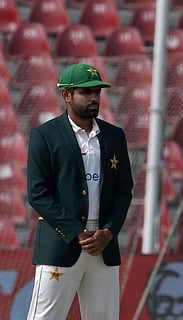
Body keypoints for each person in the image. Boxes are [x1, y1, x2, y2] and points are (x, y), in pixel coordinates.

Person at [26, 63, 134, 319]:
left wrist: (108, 232)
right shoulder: (45, 135)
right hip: (60, 244)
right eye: (86, 93)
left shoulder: (115, 136)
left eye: (97, 92)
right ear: (67, 95)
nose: (94, 98)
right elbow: (38, 193)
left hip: (103, 248)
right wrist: (76, 231)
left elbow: (123, 191)